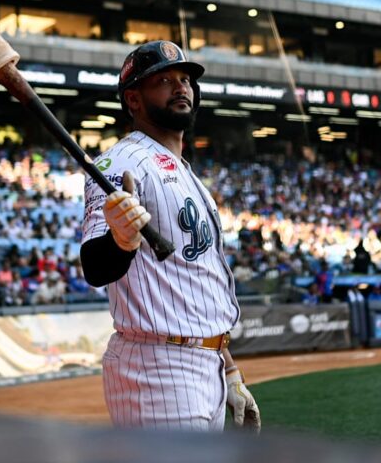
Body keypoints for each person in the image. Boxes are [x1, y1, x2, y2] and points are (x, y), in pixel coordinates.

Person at [81, 40, 260, 432]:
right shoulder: (121, 163)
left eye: (185, 79)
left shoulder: (183, 171)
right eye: (163, 81)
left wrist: (230, 371)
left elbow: (195, 282)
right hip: (157, 367)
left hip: (206, 363)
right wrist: (121, 241)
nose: (180, 87)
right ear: (134, 99)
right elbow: (96, 266)